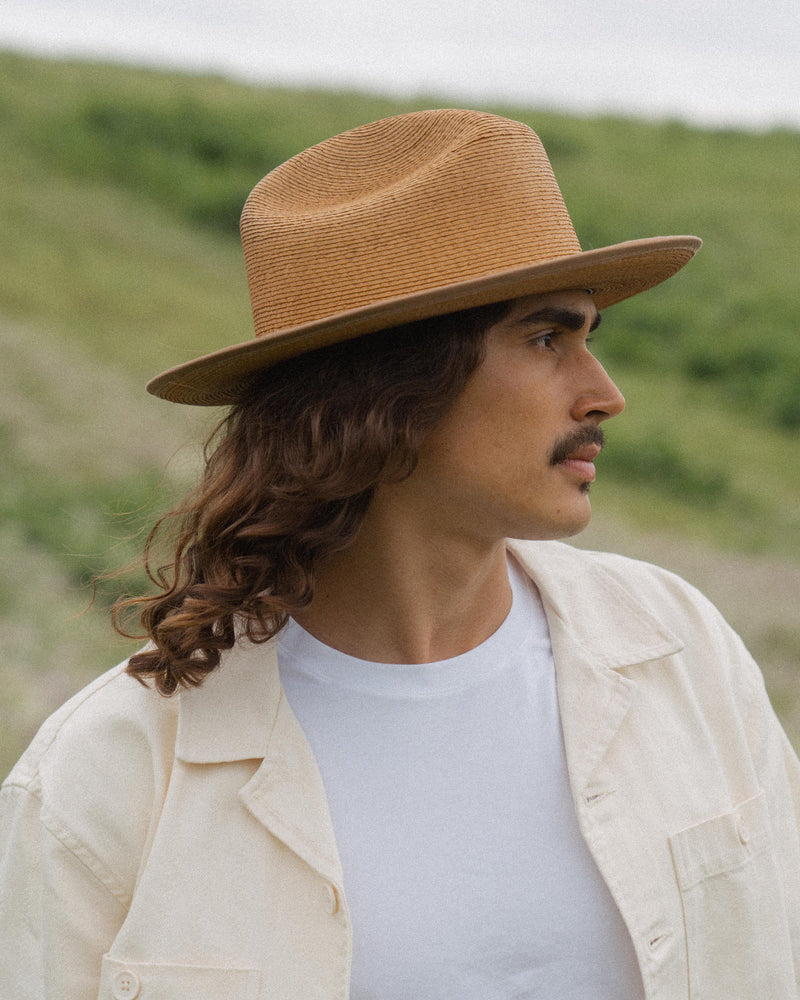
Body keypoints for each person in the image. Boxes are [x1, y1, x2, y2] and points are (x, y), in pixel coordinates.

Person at [1, 108, 798, 1000]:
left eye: (587, 338)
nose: (603, 394)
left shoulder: (681, 651)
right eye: (545, 338)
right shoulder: (109, 771)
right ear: (387, 392)